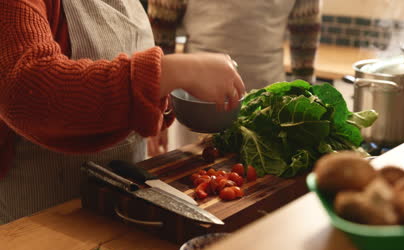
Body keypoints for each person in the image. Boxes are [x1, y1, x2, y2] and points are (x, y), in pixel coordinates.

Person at [0, 0, 244, 224]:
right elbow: (27, 91)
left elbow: (123, 53)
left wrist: (158, 101)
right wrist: (169, 72)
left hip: (124, 200)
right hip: (43, 213)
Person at [147, 0, 322, 150]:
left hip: (268, 100)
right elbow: (161, 24)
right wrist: (157, 104)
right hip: (198, 107)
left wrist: (307, 101)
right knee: (193, 180)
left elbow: (306, 26)